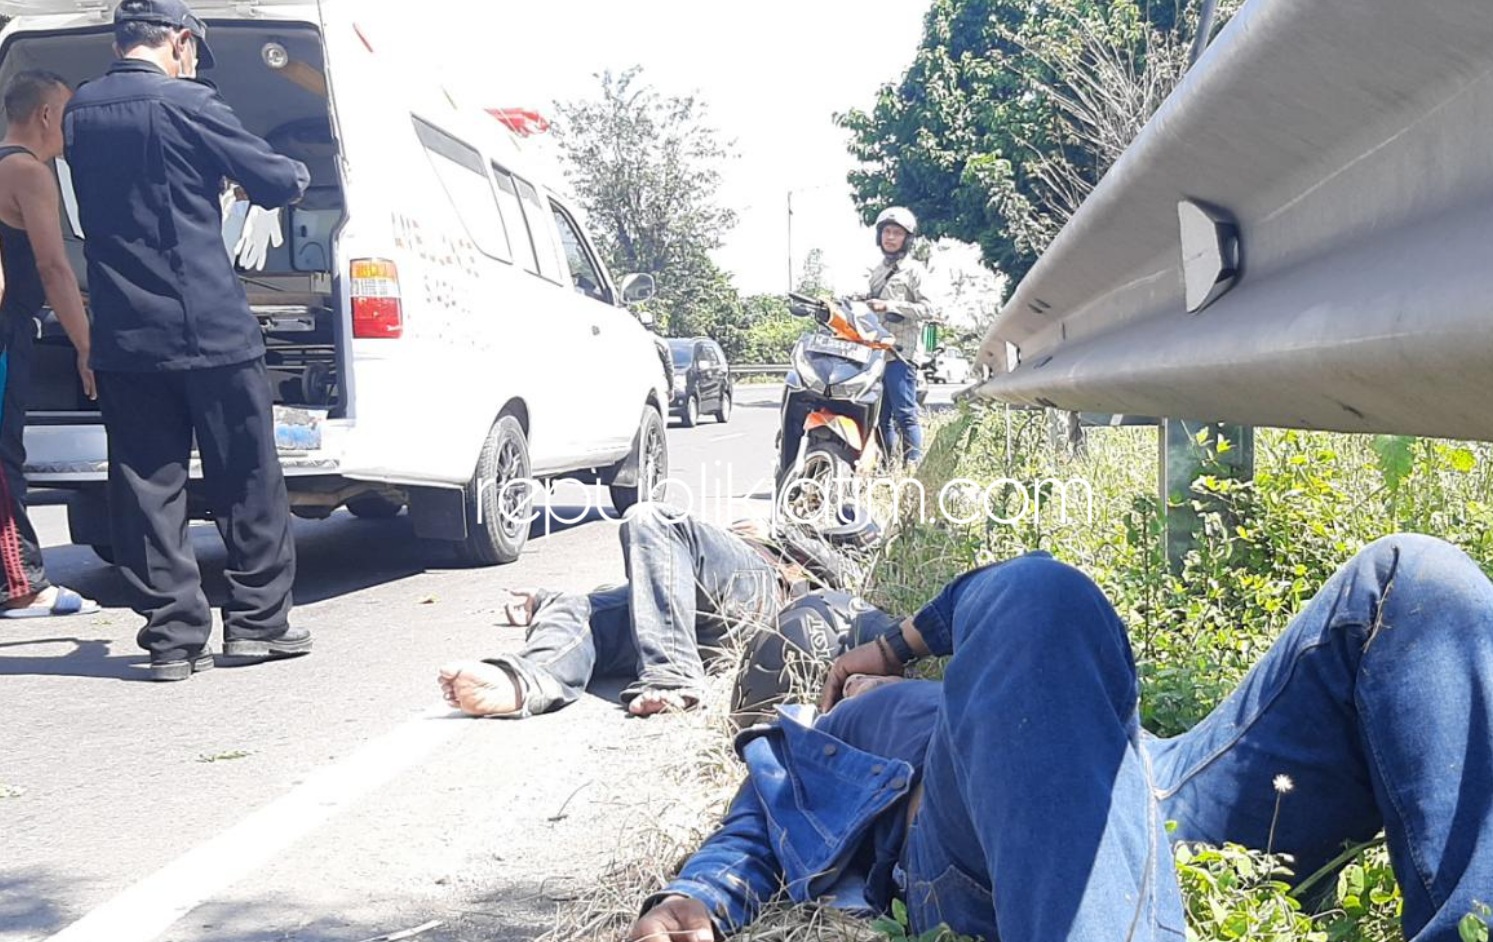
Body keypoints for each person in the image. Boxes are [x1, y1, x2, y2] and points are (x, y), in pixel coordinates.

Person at [628, 534, 1493, 942]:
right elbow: (750, 828)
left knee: (1409, 577)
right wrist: (693, 899)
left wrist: (899, 645)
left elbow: (993, 597)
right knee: (1037, 594)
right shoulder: (826, 737)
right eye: (838, 675)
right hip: (988, 852)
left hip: (1151, 783)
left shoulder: (974, 672)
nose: (856, 681)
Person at [63, 0, 312, 682]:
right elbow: (274, 180)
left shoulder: (79, 111)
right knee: (246, 475)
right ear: (178, 41)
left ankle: (173, 639)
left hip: (124, 328)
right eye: (194, 51)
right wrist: (287, 175)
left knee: (147, 484)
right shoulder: (189, 102)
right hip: (209, 323)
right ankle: (258, 624)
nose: (194, 63)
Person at [439, 502, 875, 718]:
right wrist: (543, 600)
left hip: (764, 590)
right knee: (576, 605)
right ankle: (527, 680)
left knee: (653, 518)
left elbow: (850, 570)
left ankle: (672, 676)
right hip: (682, 617)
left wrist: (773, 532)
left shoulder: (839, 542)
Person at [0, 71, 100, 620]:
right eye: (67, 112)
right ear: (44, 115)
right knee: (2, 456)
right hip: (6, 331)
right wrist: (85, 345)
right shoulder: (29, 172)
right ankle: (21, 586)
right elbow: (52, 267)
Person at [865, 207, 936, 467]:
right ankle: (886, 468)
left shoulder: (914, 271)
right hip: (876, 353)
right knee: (879, 417)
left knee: (905, 413)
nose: (890, 237)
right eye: (886, 232)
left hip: (902, 353)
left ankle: (913, 468)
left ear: (907, 238)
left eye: (897, 233)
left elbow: (929, 309)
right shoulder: (876, 271)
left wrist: (890, 306)